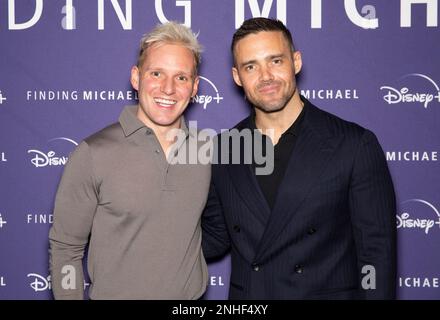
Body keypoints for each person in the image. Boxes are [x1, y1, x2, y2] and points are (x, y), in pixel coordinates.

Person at [202, 17, 396, 299]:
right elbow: (216, 237)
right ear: (237, 77)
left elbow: (376, 252)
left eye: (276, 61)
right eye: (251, 66)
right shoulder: (223, 149)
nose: (265, 76)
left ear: (296, 62)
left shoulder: (354, 144)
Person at [49, 22, 210, 299]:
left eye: (181, 78)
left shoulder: (207, 150)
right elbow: (66, 249)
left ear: (195, 87)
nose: (168, 88)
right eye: (156, 73)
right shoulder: (92, 153)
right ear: (136, 78)